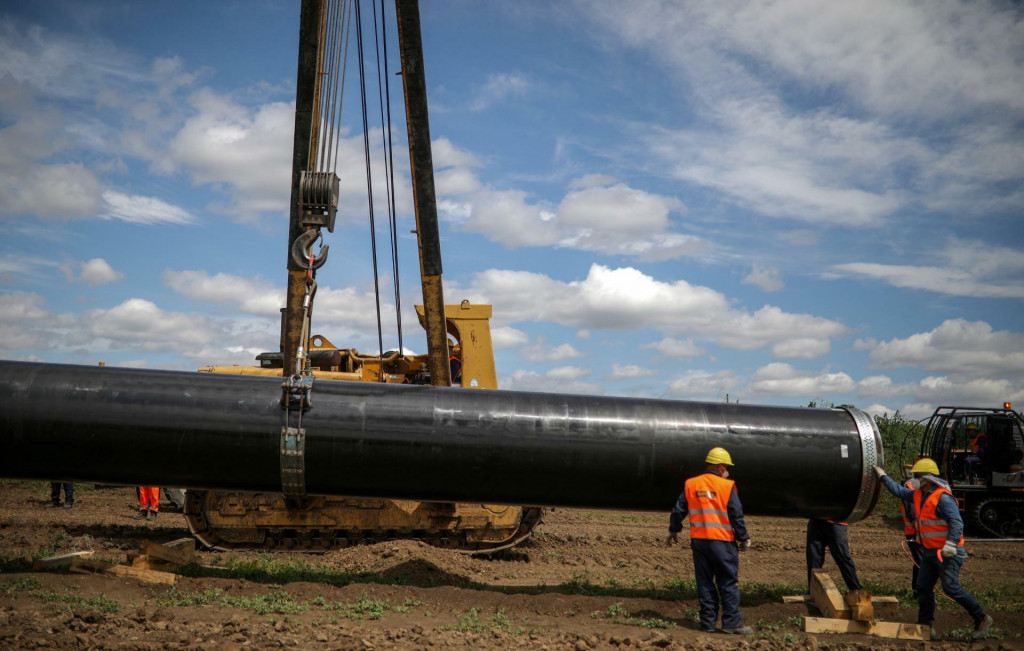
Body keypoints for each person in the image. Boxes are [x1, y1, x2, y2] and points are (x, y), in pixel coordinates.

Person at [876, 459, 993, 640]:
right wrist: (883, 477)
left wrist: (951, 544)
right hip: (930, 552)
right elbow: (899, 491)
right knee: (923, 587)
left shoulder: (943, 498)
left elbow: (956, 522)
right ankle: (925, 626)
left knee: (951, 588)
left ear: (928, 478)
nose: (914, 479)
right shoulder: (918, 495)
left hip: (948, 553)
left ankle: (982, 617)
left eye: (918, 476)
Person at [667, 446, 752, 635]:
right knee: (728, 582)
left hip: (700, 542)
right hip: (722, 542)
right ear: (720, 467)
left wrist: (673, 530)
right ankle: (731, 623)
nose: (727, 470)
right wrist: (743, 537)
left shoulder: (691, 484)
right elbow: (736, 514)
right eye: (726, 467)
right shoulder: (727, 486)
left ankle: (708, 623)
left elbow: (678, 510)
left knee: (704, 582)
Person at [806, 518, 862, 592]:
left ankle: (857, 592)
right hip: (816, 520)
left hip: (836, 521)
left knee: (843, 559)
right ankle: (813, 593)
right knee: (813, 561)